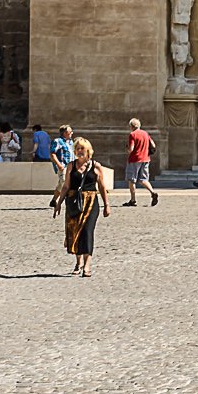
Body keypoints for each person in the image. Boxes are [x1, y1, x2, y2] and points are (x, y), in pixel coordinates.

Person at [50, 138, 113, 277]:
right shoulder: (71, 166)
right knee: (75, 231)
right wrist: (58, 203)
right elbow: (66, 186)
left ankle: (87, 265)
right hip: (73, 202)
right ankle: (78, 263)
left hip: (91, 203)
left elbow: (102, 187)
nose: (79, 151)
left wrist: (106, 205)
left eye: (82, 149)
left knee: (87, 232)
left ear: (88, 150)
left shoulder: (96, 166)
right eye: (77, 149)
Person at [123, 117, 158, 207]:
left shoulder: (132, 134)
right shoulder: (145, 133)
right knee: (143, 180)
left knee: (132, 180)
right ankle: (153, 192)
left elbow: (131, 149)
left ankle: (133, 200)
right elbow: (153, 145)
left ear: (131, 126)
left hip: (135, 159)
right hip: (146, 159)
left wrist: (127, 148)